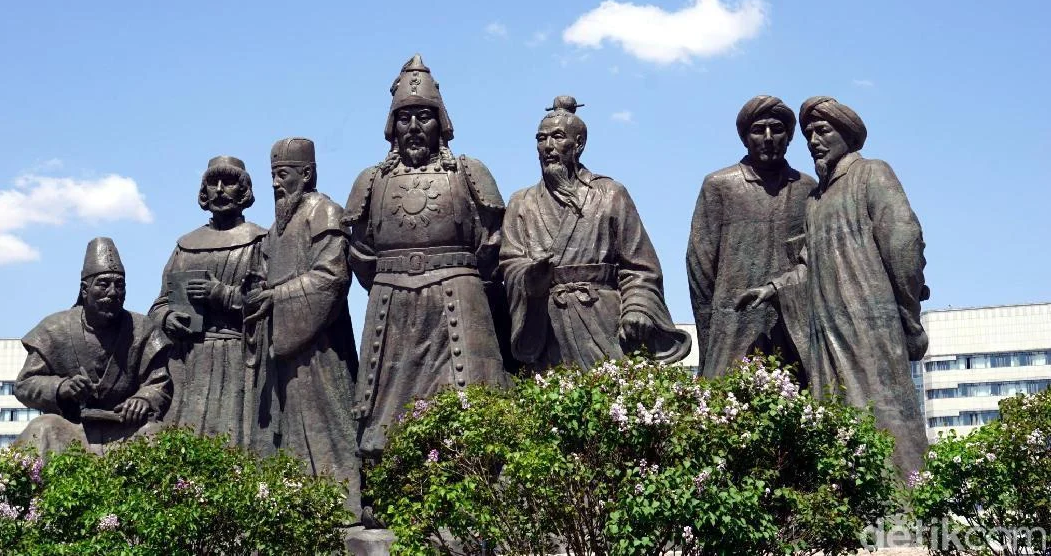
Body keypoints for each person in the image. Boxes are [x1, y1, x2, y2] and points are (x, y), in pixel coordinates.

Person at [736, 96, 929, 477]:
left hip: (869, 326)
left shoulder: (872, 174)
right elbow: (808, 265)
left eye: (823, 131)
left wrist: (907, 314)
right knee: (836, 417)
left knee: (884, 414)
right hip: (826, 330)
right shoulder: (816, 200)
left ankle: (909, 500)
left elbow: (904, 242)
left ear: (847, 135)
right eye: (809, 134)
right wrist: (774, 288)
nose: (814, 141)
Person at [344, 54, 509, 458]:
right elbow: (359, 251)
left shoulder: (468, 171)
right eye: (404, 118)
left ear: (441, 122)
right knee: (386, 414)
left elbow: (494, 241)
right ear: (392, 126)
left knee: (472, 408)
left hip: (458, 300)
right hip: (392, 308)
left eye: (424, 117)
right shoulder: (371, 180)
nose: (414, 128)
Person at [499, 96, 690, 372]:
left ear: (578, 144)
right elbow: (510, 263)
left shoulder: (611, 194)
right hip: (547, 324)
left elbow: (640, 267)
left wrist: (637, 307)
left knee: (612, 393)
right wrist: (530, 278)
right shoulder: (521, 202)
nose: (548, 146)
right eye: (541, 139)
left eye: (557, 137)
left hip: (603, 318)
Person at [244, 136, 361, 515]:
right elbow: (262, 276)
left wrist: (277, 297)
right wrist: (257, 294)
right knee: (287, 429)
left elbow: (331, 278)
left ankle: (343, 509)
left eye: (283, 175)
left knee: (327, 421)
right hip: (281, 350)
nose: (275, 184)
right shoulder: (274, 230)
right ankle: (297, 512)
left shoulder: (324, 212)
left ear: (307, 174)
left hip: (321, 350)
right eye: (273, 175)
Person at [686, 95, 815, 379]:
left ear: (789, 136)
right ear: (745, 137)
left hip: (791, 324)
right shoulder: (720, 185)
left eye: (777, 129)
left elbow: (815, 260)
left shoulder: (807, 188)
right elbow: (700, 267)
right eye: (758, 130)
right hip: (733, 323)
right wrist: (709, 332)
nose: (768, 138)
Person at [15, 237, 171, 455]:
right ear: (84, 289)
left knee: (156, 434)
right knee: (42, 428)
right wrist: (61, 387)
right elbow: (25, 384)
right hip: (72, 429)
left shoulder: (143, 329)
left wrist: (144, 398)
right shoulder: (54, 328)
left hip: (125, 431)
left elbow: (160, 382)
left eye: (119, 286)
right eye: (103, 285)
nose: (113, 292)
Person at [150, 155, 265, 447]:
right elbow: (159, 305)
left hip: (238, 357)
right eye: (213, 182)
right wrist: (167, 318)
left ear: (244, 190)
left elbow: (268, 302)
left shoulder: (260, 241)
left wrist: (221, 294)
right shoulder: (185, 245)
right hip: (187, 359)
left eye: (229, 182)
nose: (220, 189)